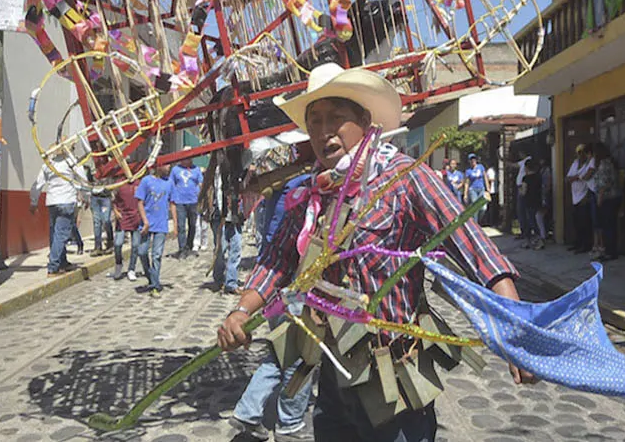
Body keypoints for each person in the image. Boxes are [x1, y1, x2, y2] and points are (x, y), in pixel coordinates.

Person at [216, 63, 534, 441]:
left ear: (365, 121)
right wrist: (241, 311)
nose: (324, 131)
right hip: (335, 370)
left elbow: (474, 248)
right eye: (314, 120)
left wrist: (517, 331)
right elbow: (278, 259)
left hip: (396, 374)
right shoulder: (311, 192)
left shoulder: (403, 177)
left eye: (337, 117)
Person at [231, 172, 316, 441]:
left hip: (274, 285)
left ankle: (248, 410)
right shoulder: (305, 190)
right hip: (294, 288)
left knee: (280, 354)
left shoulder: (281, 189)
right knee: (300, 357)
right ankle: (290, 422)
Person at [30, 151, 86, 276]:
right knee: (61, 235)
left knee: (55, 233)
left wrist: (34, 202)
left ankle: (62, 262)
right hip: (66, 201)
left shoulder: (48, 164)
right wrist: (84, 195)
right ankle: (53, 267)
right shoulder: (71, 162)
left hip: (52, 202)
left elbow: (38, 184)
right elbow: (83, 178)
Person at [136, 163, 173, 297]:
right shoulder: (146, 181)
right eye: (166, 165)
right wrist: (145, 221)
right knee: (142, 252)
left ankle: (154, 286)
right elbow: (140, 202)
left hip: (161, 225)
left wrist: (175, 224)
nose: (169, 168)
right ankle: (151, 277)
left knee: (156, 255)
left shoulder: (169, 183)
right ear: (158, 166)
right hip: (146, 224)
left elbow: (172, 203)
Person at [168, 151, 204, 259]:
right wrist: (171, 198)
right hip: (180, 202)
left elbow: (201, 183)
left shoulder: (196, 169)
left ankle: (189, 246)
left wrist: (202, 198)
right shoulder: (175, 170)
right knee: (181, 226)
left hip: (193, 201)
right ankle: (182, 248)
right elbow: (171, 184)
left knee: (193, 225)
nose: (187, 160)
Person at [592, 143, 621, 262]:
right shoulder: (608, 162)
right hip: (611, 198)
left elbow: (605, 183)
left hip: (608, 198)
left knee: (608, 225)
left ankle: (610, 251)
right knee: (609, 225)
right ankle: (609, 250)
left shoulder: (604, 164)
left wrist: (600, 197)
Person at [108, 177, 142, 282]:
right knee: (118, 243)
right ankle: (118, 264)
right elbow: (112, 199)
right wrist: (115, 211)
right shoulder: (119, 182)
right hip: (122, 217)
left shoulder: (139, 183)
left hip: (136, 216)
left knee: (135, 245)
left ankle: (131, 269)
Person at [566, 145, 597, 255]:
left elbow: (586, 177)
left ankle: (586, 245)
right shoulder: (575, 164)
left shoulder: (589, 164)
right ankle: (577, 243)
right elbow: (568, 178)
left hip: (584, 196)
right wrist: (576, 177)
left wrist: (576, 178)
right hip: (575, 196)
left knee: (585, 223)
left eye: (583, 152)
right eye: (579, 152)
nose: (580, 155)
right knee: (577, 222)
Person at [88, 170, 114, 256]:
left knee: (106, 220)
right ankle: (97, 246)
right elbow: (88, 182)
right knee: (96, 222)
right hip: (95, 197)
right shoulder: (90, 168)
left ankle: (110, 242)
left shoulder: (108, 166)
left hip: (105, 197)